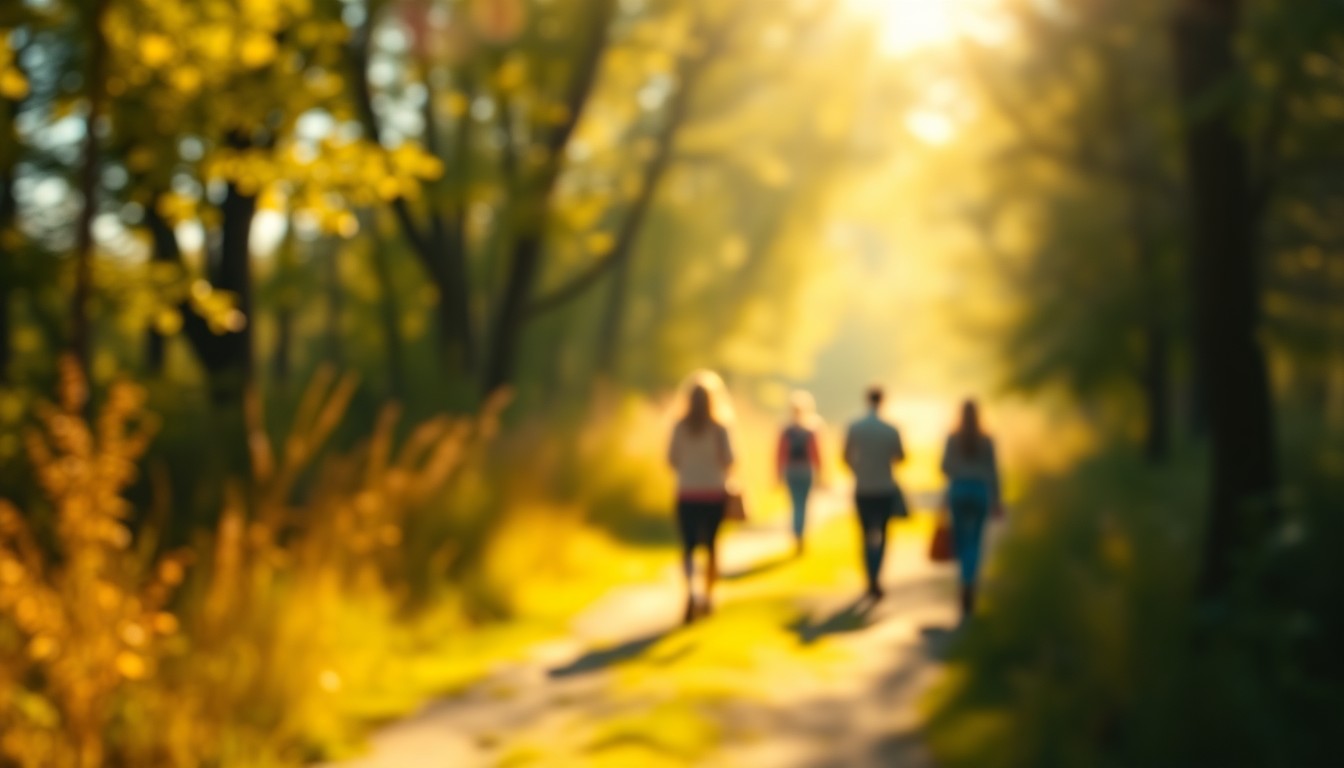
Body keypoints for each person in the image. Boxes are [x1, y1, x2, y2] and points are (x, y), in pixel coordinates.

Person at [668, 372, 736, 624]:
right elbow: (730, 460)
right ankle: (708, 595)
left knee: (688, 547)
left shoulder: (679, 426)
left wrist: (689, 468)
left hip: (686, 492)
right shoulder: (719, 427)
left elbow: (671, 459)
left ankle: (690, 591)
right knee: (712, 546)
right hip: (713, 493)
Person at [843, 385, 907, 599]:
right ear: (883, 401)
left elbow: (845, 456)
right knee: (883, 534)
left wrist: (858, 469)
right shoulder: (891, 429)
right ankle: (876, 575)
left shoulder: (855, 427)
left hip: (863, 488)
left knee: (864, 534)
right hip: (884, 488)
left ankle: (869, 578)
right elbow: (901, 457)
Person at [940, 399, 1002, 619]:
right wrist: (997, 500)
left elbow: (944, 467)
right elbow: (994, 471)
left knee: (960, 540)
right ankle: (970, 583)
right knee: (975, 540)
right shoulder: (986, 439)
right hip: (979, 492)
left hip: (958, 490)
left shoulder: (952, 438)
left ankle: (963, 582)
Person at [777, 391, 823, 557]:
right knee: (803, 505)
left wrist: (778, 475)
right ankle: (800, 534)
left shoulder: (786, 430)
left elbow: (780, 454)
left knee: (795, 504)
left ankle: (797, 534)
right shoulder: (810, 429)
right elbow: (816, 454)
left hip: (791, 471)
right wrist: (821, 474)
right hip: (805, 471)